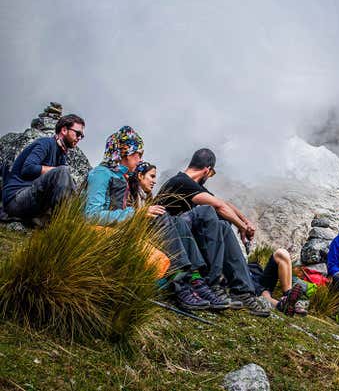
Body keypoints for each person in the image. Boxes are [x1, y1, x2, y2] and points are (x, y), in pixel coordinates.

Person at [84, 127, 227, 311]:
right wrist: (136, 214)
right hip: (104, 232)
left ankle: (195, 280)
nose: (140, 159)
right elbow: (91, 215)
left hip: (120, 228)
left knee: (175, 220)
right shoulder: (101, 174)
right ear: (123, 152)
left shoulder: (122, 178)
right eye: (137, 154)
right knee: (160, 216)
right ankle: (180, 284)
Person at [157, 148, 270, 317]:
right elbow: (218, 206)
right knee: (208, 213)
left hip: (186, 241)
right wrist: (241, 226)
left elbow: (222, 203)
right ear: (207, 170)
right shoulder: (181, 181)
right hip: (171, 241)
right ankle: (212, 284)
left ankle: (242, 291)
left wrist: (245, 222)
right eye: (211, 174)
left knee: (223, 225)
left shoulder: (190, 184)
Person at [2, 114, 85, 227]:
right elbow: (27, 168)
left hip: (32, 202)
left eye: (82, 136)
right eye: (78, 133)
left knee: (69, 179)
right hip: (16, 199)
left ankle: (53, 221)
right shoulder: (45, 143)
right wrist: (55, 171)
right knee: (62, 172)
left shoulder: (61, 155)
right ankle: (62, 224)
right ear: (64, 130)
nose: (79, 138)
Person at [251, 248, 306, 316]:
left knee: (281, 253)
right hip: (246, 282)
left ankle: (288, 295)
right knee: (262, 292)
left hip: (256, 273)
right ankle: (282, 305)